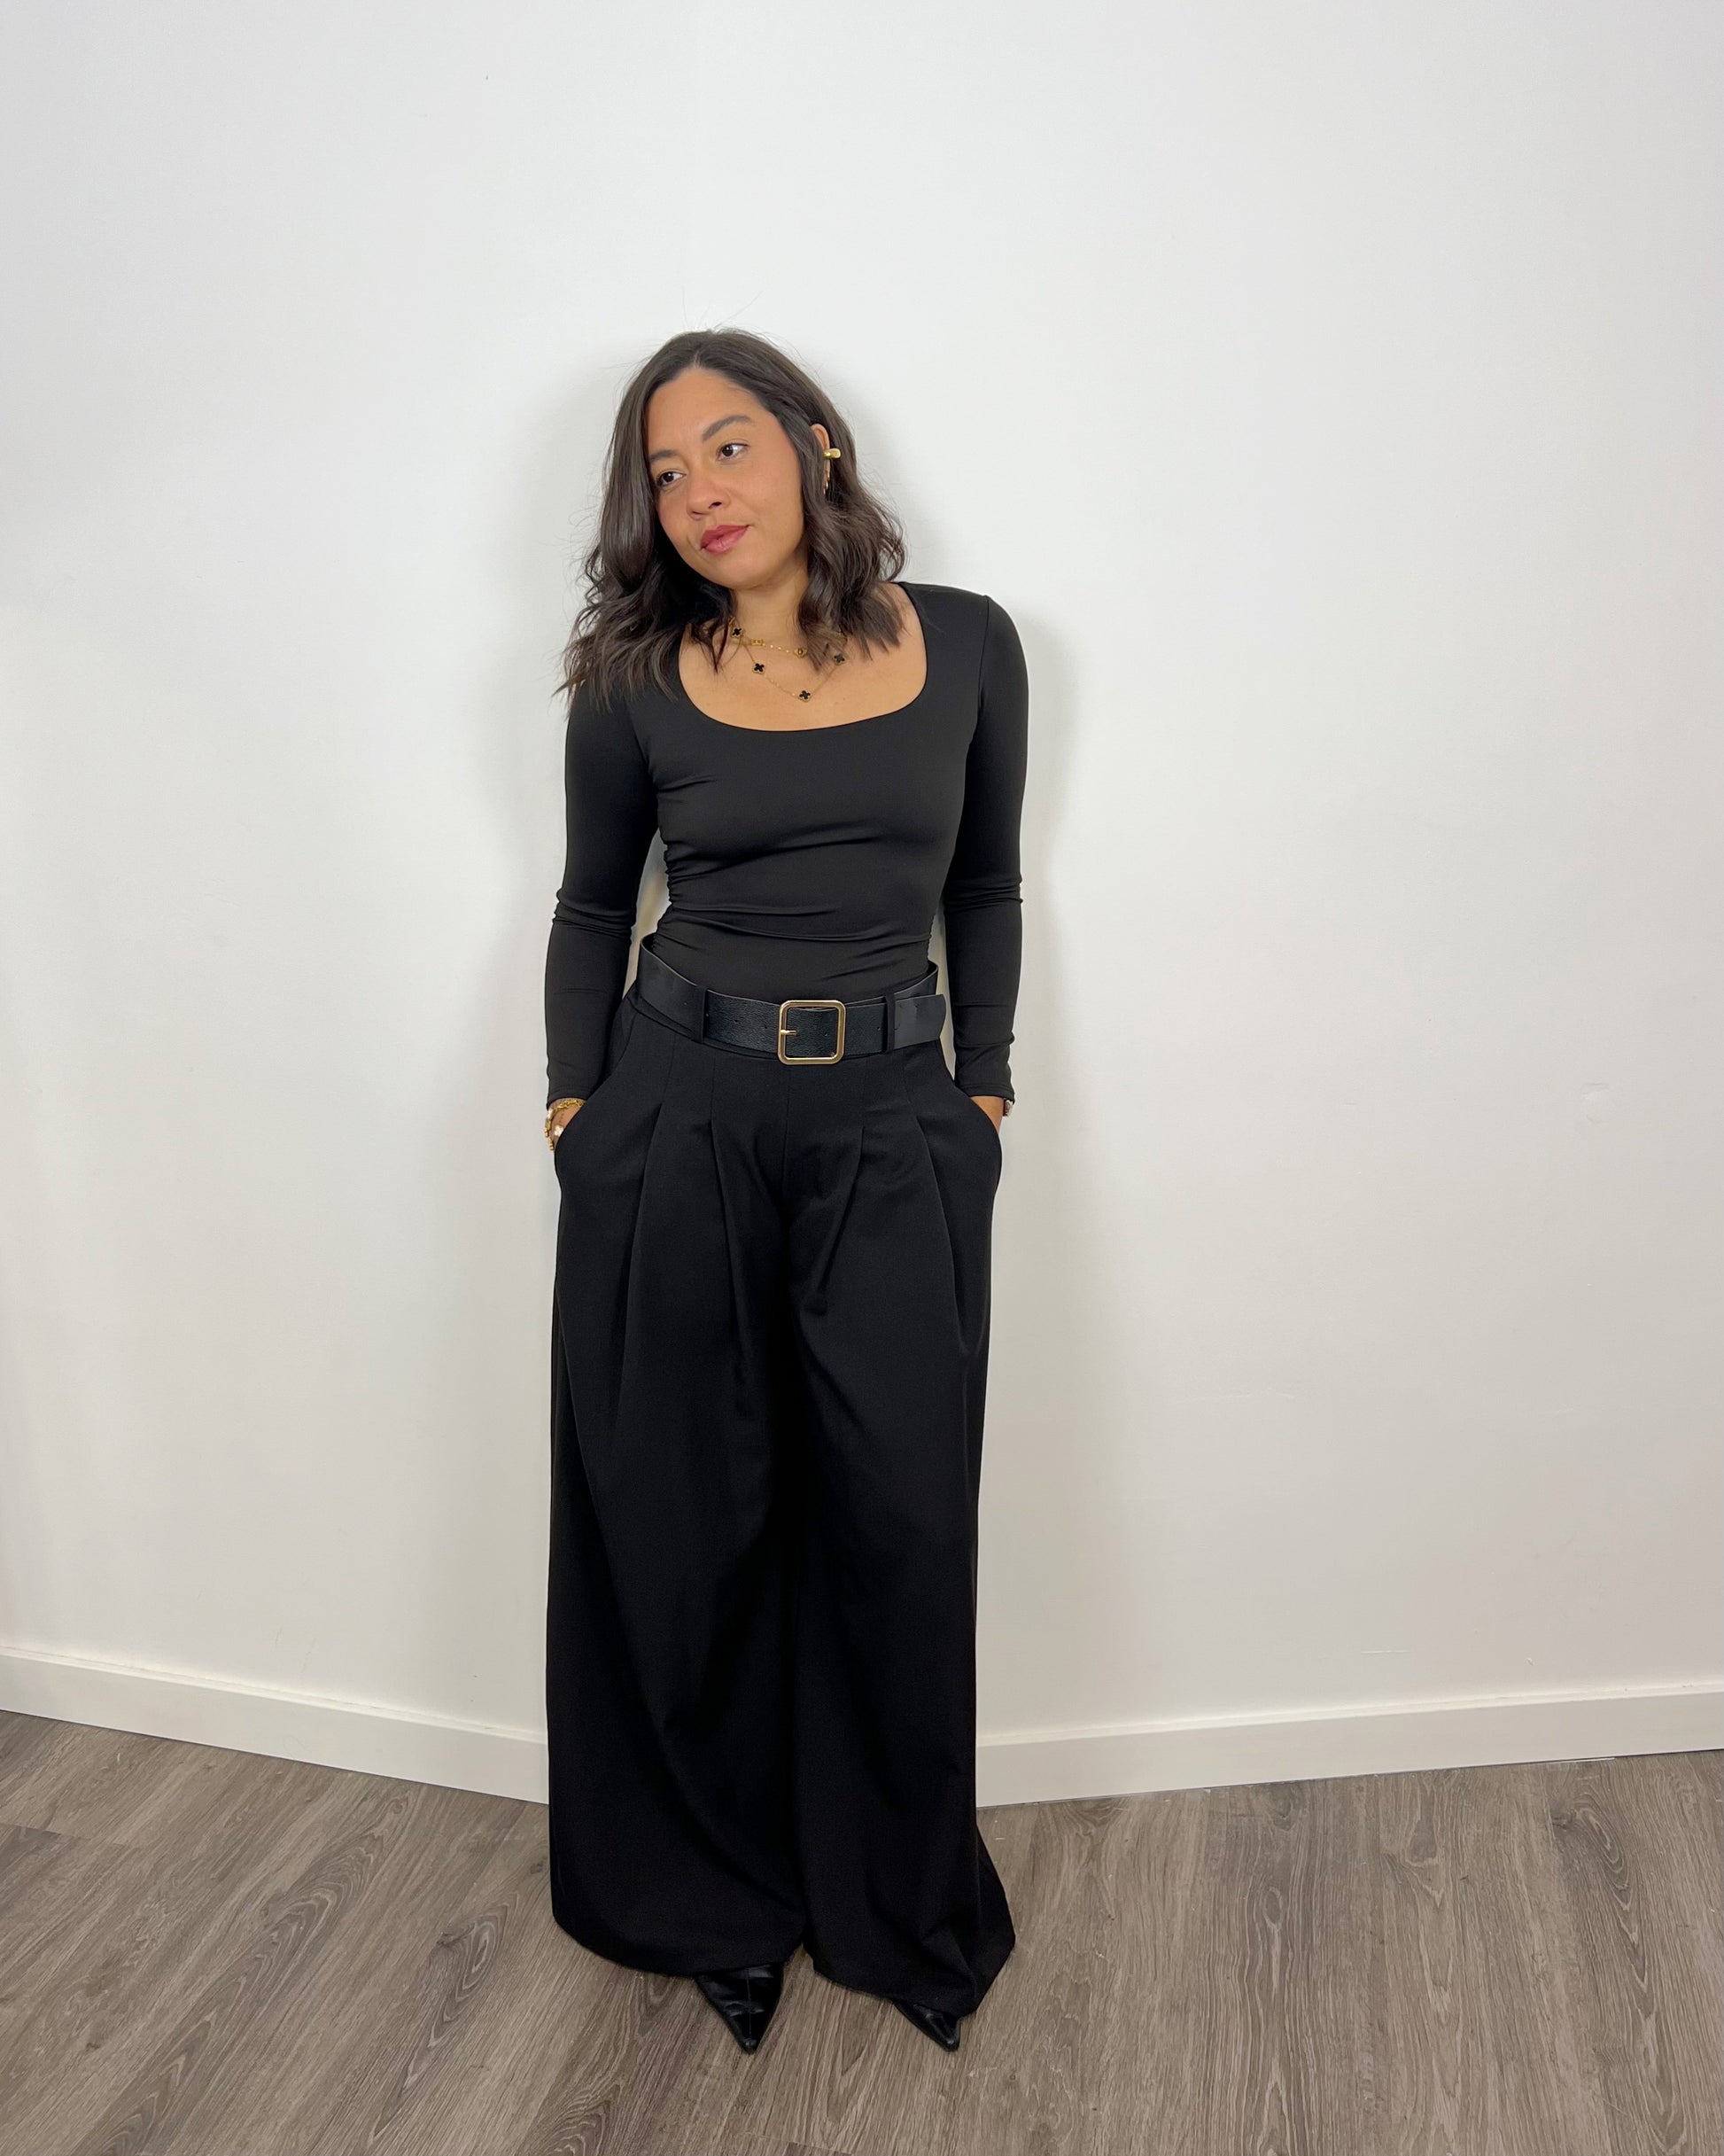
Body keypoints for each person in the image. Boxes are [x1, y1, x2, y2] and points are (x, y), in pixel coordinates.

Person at [542, 327, 1028, 2058]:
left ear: (815, 443)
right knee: (692, 1517)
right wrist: (576, 1111)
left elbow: (984, 881)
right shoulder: (635, 680)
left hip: (893, 1125)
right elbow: (592, 906)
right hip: (677, 1115)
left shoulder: (968, 642)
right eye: (664, 473)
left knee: (899, 1521)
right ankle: (711, 1897)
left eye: (726, 447)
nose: (698, 493)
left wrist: (981, 1086)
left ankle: (890, 1902)